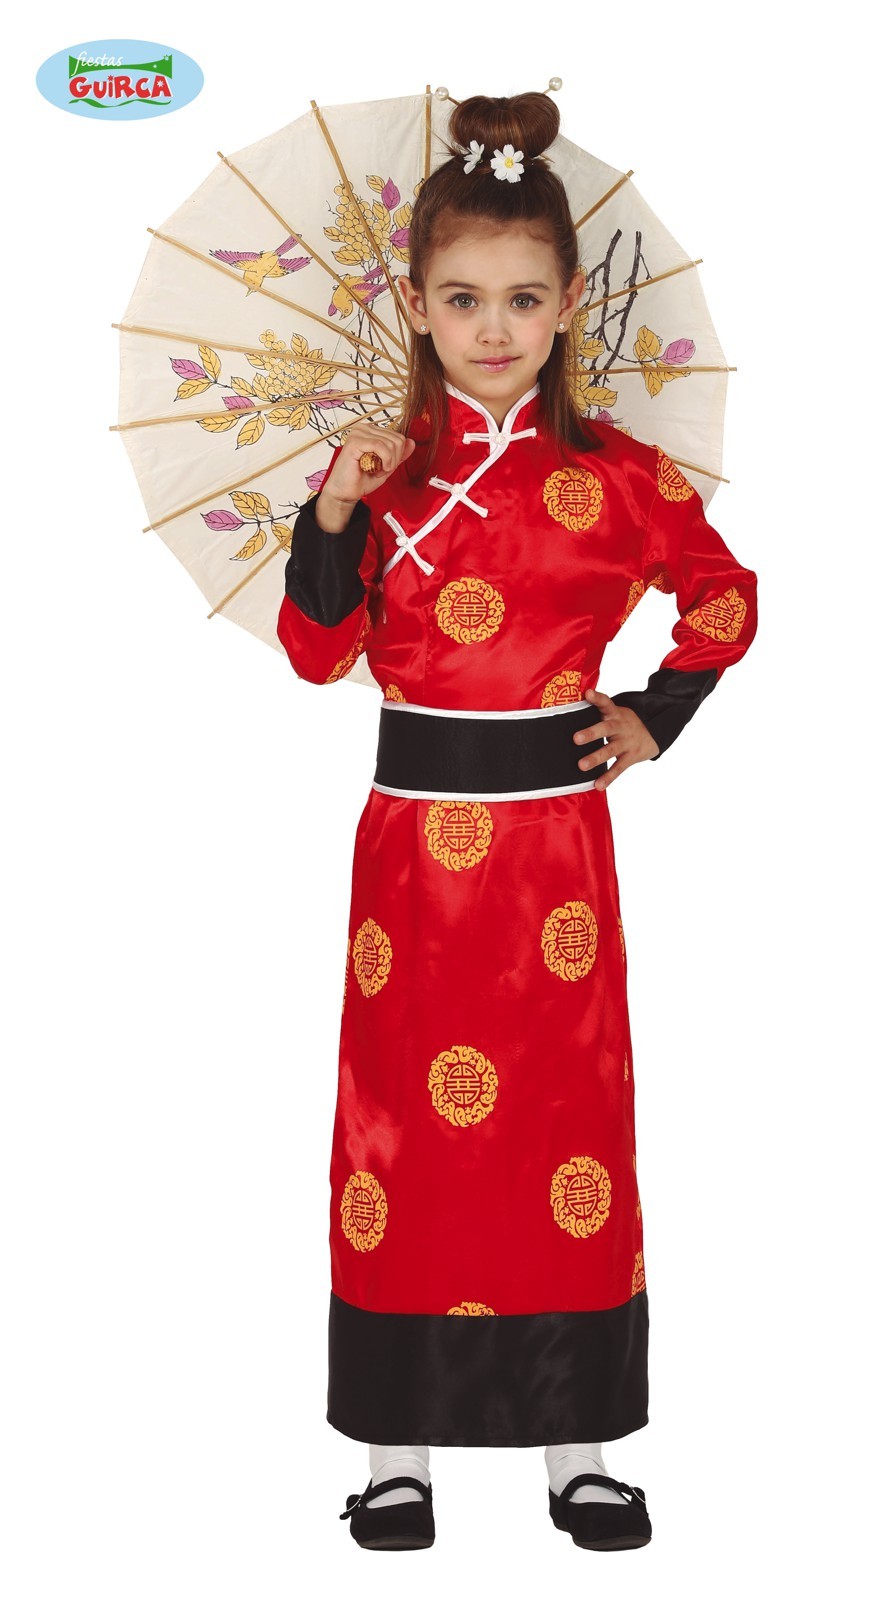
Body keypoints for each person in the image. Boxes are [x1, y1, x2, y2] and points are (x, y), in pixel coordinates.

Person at [276, 90, 758, 1552]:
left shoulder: (616, 475)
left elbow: (724, 596)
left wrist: (655, 714)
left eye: (525, 299)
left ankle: (577, 1445)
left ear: (566, 306)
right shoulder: (381, 475)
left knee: (566, 1117)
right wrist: (336, 515)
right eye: (464, 299)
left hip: (555, 854)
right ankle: (396, 1453)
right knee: (400, 1134)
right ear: (417, 305)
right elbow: (315, 655)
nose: (494, 327)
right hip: (412, 858)